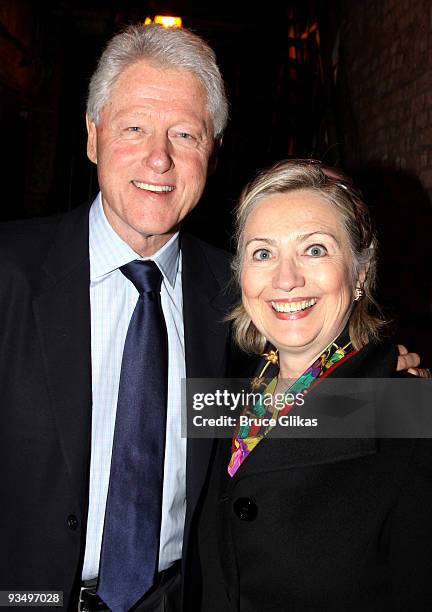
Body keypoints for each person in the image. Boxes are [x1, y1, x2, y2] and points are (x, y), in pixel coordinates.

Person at [0, 25, 421, 612]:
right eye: (134, 128)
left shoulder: (246, 293)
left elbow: (299, 405)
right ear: (93, 138)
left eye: (184, 134)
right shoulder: (8, 272)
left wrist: (394, 387)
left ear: (212, 151)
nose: (158, 157)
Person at [197, 160, 432, 611]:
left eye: (316, 250)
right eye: (262, 253)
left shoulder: (410, 417)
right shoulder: (224, 397)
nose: (286, 279)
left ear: (361, 272)